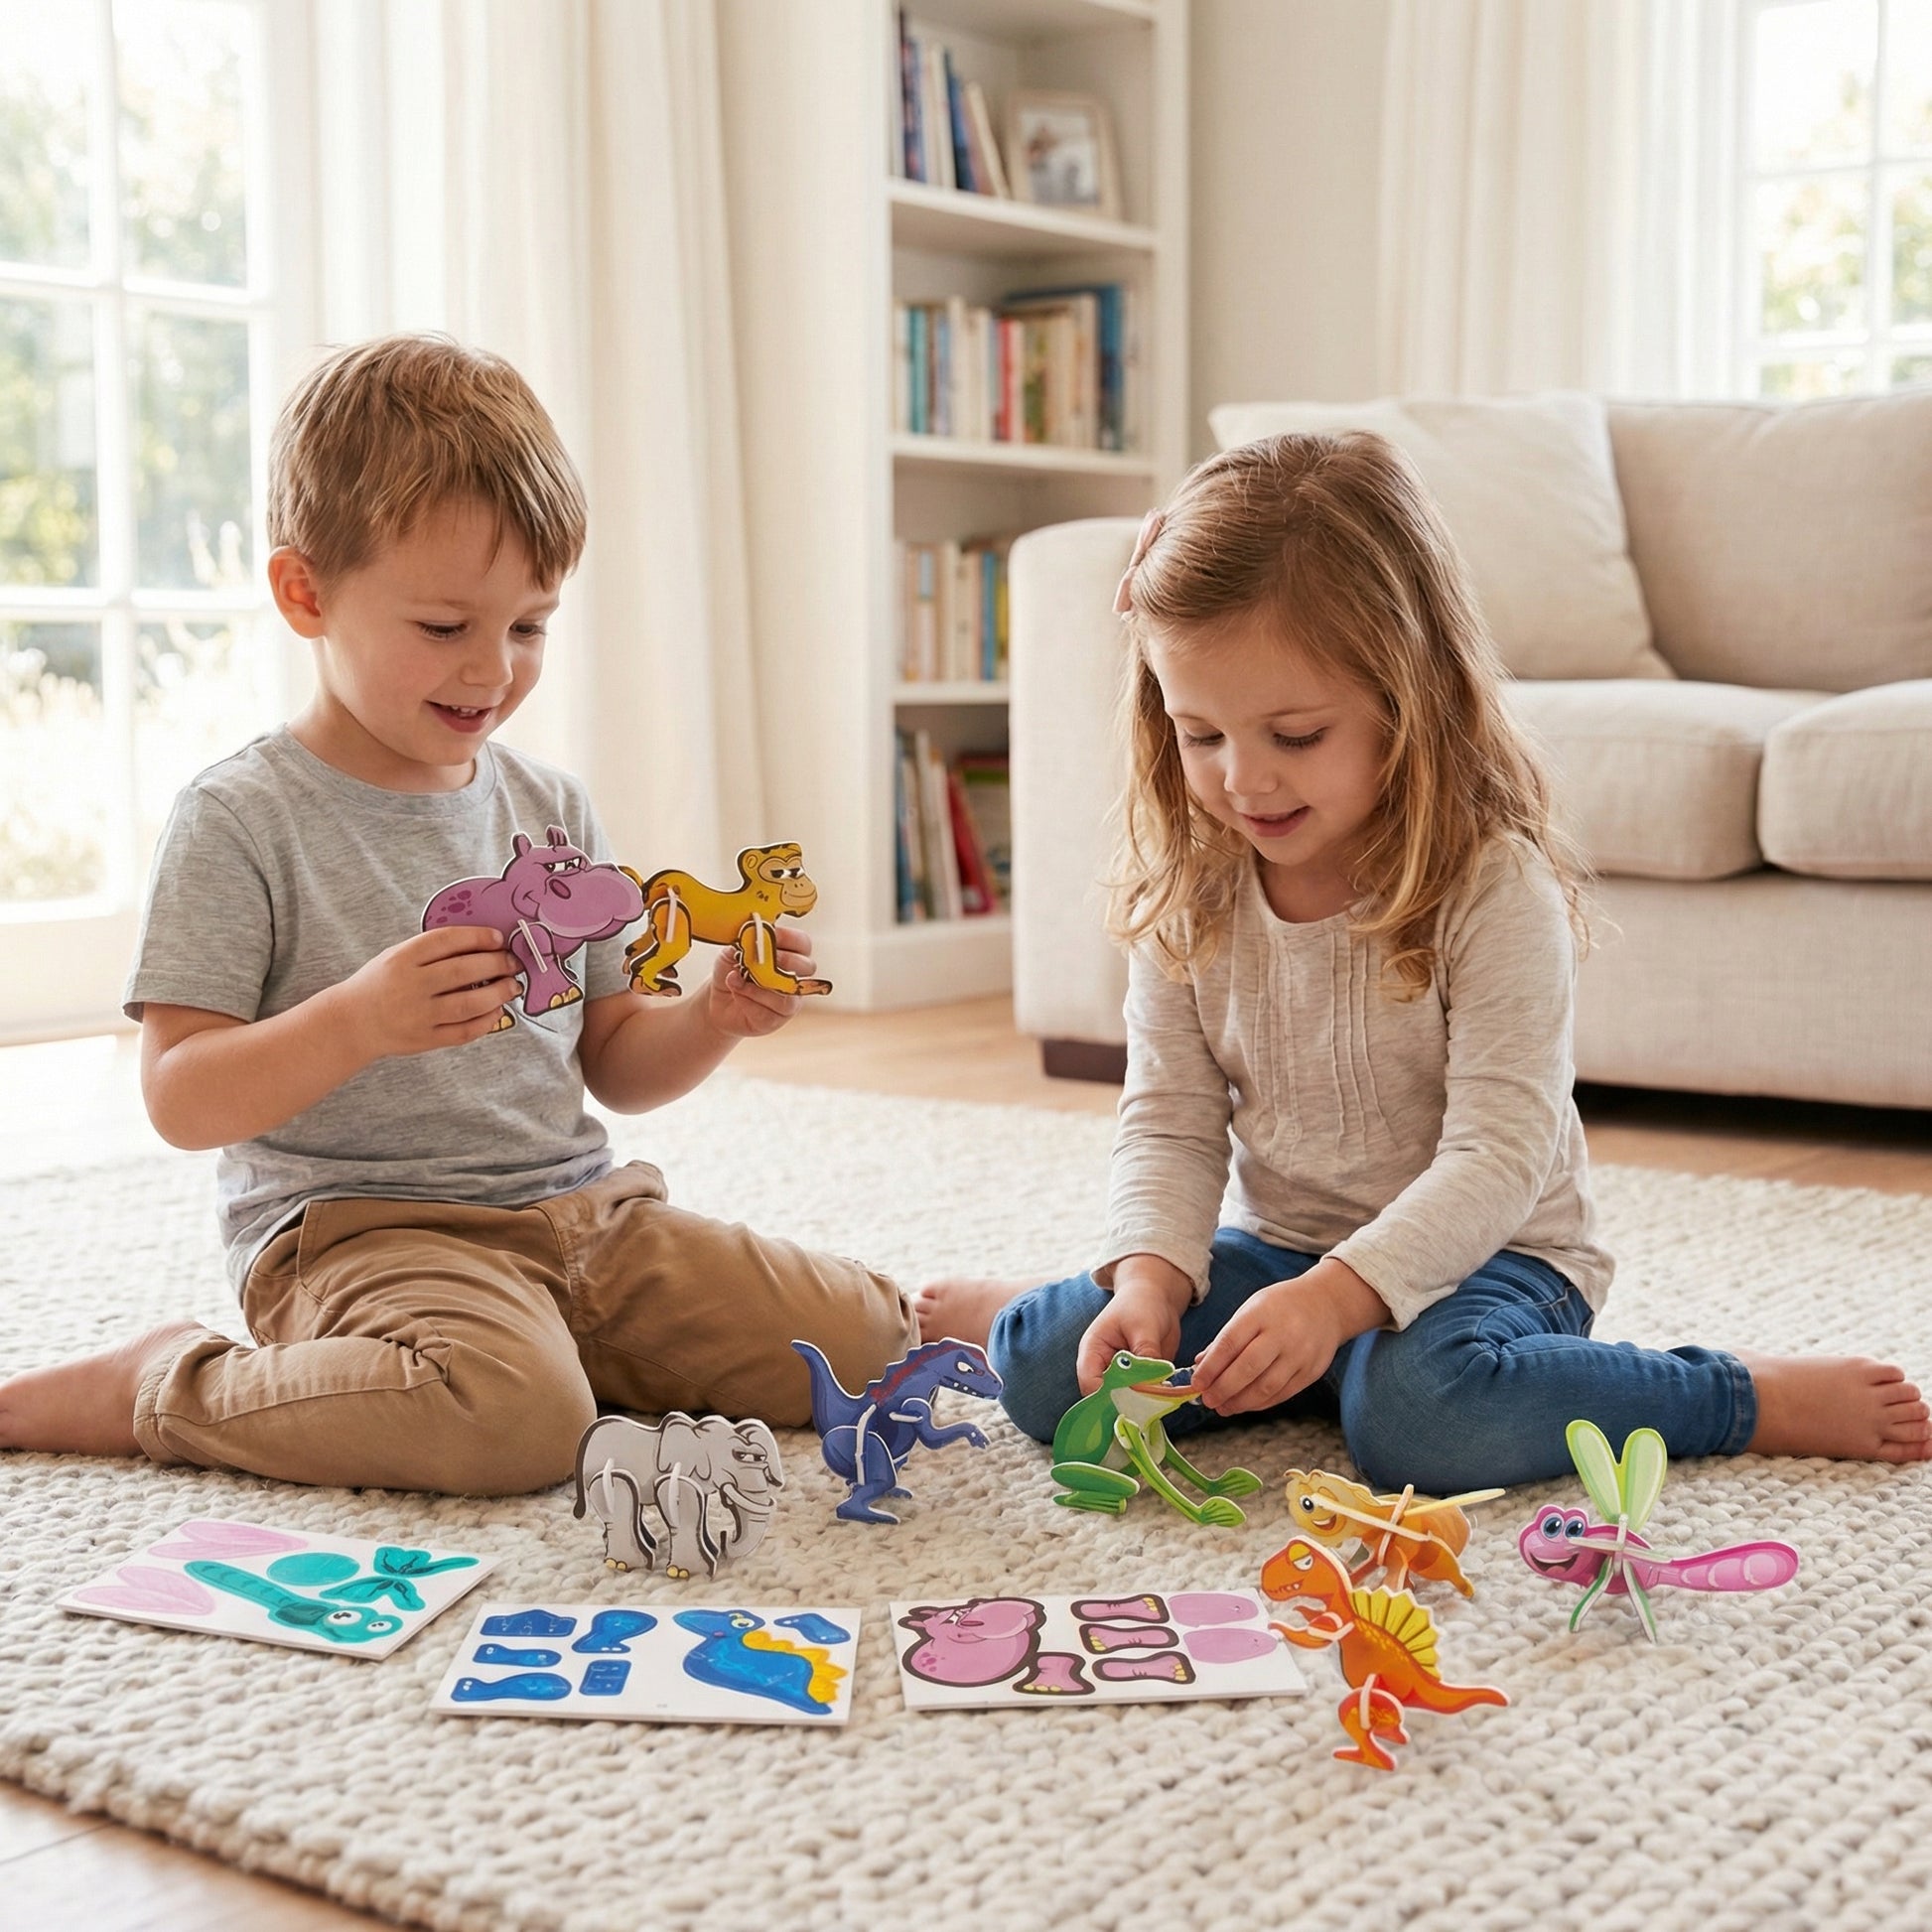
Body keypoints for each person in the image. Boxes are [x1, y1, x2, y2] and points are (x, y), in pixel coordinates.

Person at [915, 432, 1931, 1488]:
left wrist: (1337, 1299)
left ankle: (1733, 1394)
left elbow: (1498, 1156)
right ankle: (1099, 1324)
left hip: (1496, 1257)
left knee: (1422, 1421)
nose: (1243, 779)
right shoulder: (1195, 878)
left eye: (1294, 735)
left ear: (1408, 697)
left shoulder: (1490, 884)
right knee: (1049, 1373)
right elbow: (1170, 1116)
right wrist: (1151, 1279)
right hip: (1285, 1250)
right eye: (1201, 734)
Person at [0, 334, 913, 1494]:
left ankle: (552, 1352)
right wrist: (357, 1021)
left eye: (528, 626)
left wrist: (714, 1018)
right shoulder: (240, 817)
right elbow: (180, 1096)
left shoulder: (551, 805)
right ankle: (160, 1384)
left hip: (586, 1218)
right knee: (511, 1426)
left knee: (872, 1343)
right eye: (444, 628)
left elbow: (615, 1060)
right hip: (364, 1234)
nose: (493, 670)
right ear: (305, 593)